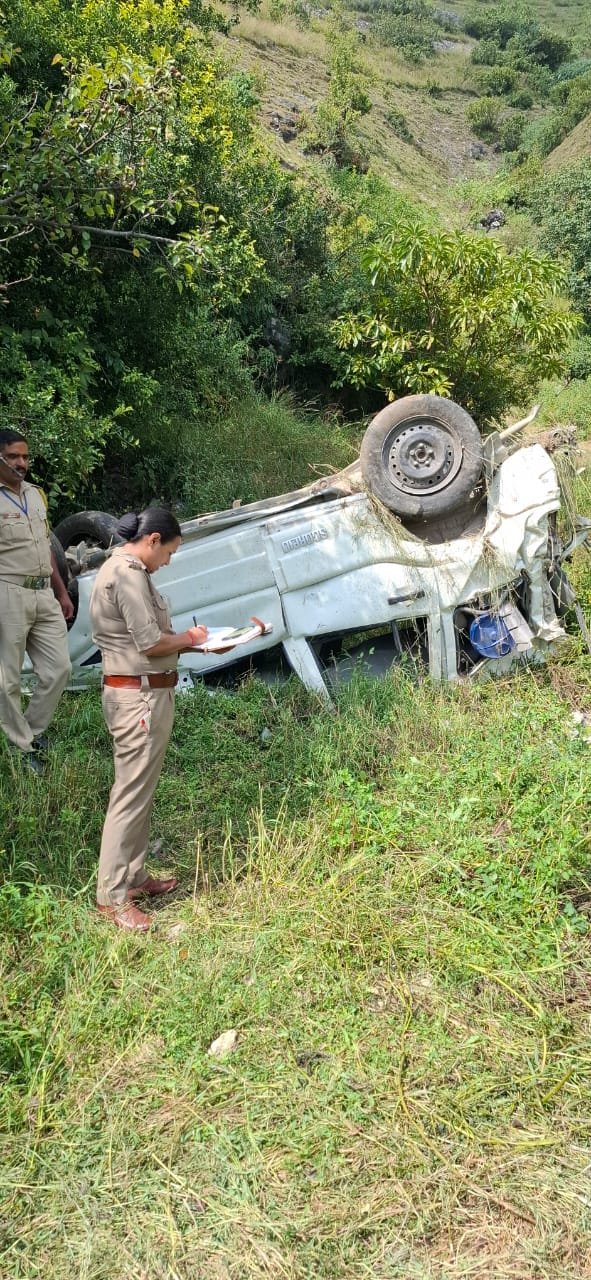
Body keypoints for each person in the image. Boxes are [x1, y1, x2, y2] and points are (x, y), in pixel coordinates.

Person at [90, 507, 208, 933]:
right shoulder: (126, 574)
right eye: (169, 552)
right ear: (153, 540)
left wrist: (194, 645)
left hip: (147, 693)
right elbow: (150, 642)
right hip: (137, 699)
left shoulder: (130, 571)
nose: (168, 562)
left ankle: (134, 877)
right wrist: (191, 639)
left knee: (140, 791)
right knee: (129, 795)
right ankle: (112, 897)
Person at [0, 429, 73, 775]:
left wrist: (61, 592)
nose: (21, 463)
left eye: (25, 456)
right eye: (13, 456)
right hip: (8, 593)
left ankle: (31, 730)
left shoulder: (35, 494)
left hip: (43, 592)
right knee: (8, 679)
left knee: (60, 669)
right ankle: (20, 746)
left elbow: (44, 545)